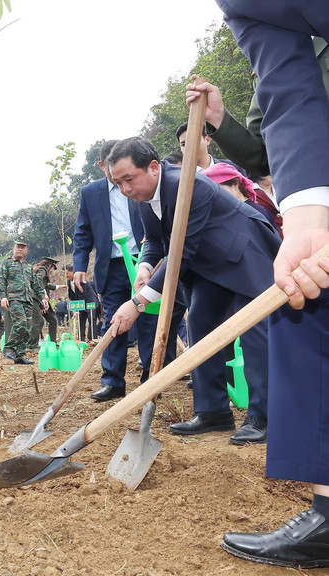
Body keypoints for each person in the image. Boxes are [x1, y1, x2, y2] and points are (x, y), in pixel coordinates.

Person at [189, 3, 329, 567]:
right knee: (308, 309)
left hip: (239, 247)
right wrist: (307, 220)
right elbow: (290, 95)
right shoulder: (248, 3)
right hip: (314, 175)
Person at [106, 137, 280, 446]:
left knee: (253, 329)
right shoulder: (145, 200)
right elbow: (156, 243)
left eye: (128, 179)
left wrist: (138, 303)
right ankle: (213, 412)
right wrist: (146, 267)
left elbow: (181, 251)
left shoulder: (187, 184)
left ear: (154, 167)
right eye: (117, 183)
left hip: (243, 252)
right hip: (209, 265)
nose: (125, 189)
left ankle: (264, 415)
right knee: (200, 322)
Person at [73, 139, 186, 402]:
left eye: (126, 176)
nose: (123, 185)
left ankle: (150, 379)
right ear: (103, 166)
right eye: (113, 173)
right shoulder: (90, 193)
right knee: (113, 320)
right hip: (111, 266)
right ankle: (112, 381)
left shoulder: (142, 186)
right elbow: (82, 232)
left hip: (144, 260)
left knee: (148, 319)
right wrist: (79, 266)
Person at [0, 236, 47, 365]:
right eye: (17, 247)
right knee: (21, 322)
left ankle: (20, 355)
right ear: (13, 248)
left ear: (26, 250)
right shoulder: (7, 263)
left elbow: (36, 285)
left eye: (22, 247)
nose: (20, 249)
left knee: (27, 328)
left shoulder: (28, 267)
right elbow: (2, 281)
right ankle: (8, 347)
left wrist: (43, 297)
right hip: (14, 299)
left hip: (27, 300)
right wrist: (3, 296)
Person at [202, 163, 279, 233]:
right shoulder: (220, 216)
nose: (216, 195)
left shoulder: (258, 212)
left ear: (235, 184)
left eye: (219, 189)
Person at [175, 122, 246, 174]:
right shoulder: (180, 177)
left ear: (207, 140)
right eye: (183, 144)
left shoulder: (233, 168)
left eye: (193, 141)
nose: (188, 148)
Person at [29, 257, 59, 349]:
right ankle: (32, 345)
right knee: (38, 321)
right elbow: (39, 281)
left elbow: (45, 284)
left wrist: (57, 287)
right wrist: (43, 296)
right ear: (50, 266)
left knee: (52, 320)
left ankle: (52, 342)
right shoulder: (42, 270)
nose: (52, 272)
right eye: (53, 269)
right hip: (38, 298)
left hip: (42, 300)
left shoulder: (41, 270)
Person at [64, 264, 98, 341]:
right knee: (81, 320)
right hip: (81, 303)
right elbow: (72, 296)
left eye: (67, 273)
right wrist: (75, 309)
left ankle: (92, 338)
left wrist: (77, 308)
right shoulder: (69, 283)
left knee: (91, 318)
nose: (66, 275)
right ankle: (81, 339)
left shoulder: (82, 280)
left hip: (90, 302)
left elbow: (82, 295)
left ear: (73, 272)